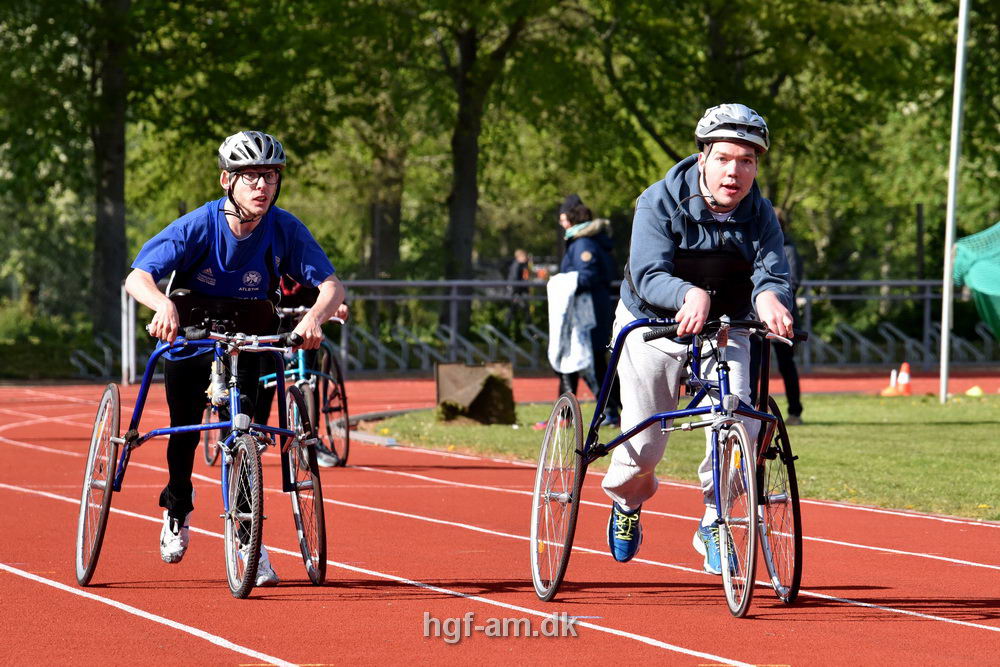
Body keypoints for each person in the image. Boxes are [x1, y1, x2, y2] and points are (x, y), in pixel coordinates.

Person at [125, 130, 346, 585]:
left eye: (269, 176)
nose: (262, 186)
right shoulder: (197, 225)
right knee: (185, 428)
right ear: (227, 180)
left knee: (249, 437)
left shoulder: (285, 228)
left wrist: (314, 319)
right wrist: (162, 305)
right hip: (192, 327)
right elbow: (138, 276)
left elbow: (331, 286)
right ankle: (177, 509)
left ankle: (249, 541)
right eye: (250, 177)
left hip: (251, 333)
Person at [602, 104, 794, 572]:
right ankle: (628, 503)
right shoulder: (658, 200)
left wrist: (770, 297)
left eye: (747, 161)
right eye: (725, 158)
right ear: (703, 156)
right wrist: (686, 293)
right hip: (653, 322)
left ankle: (714, 520)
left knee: (741, 421)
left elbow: (772, 274)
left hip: (725, 325)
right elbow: (647, 273)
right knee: (644, 445)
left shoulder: (760, 213)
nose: (735, 171)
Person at [253, 275, 350, 467]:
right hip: (274, 330)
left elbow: (330, 287)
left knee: (311, 379)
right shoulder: (271, 262)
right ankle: (257, 432)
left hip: (306, 331)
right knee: (264, 382)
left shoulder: (308, 266)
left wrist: (341, 305)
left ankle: (311, 436)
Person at [554, 194, 622, 426]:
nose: (561, 222)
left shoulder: (583, 243)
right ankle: (565, 413)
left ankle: (611, 411)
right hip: (587, 312)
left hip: (589, 313)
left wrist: (561, 283)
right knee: (581, 361)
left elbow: (588, 276)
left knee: (592, 363)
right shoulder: (581, 240)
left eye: (563, 216)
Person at [749, 208, 805, 424]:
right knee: (753, 363)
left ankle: (795, 412)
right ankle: (752, 408)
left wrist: (773, 302)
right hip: (755, 317)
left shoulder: (788, 249)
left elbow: (793, 283)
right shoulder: (756, 245)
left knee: (786, 364)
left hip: (782, 317)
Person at [505, 248, 533, 332]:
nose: (526, 258)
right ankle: (528, 330)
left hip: (520, 292)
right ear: (519, 257)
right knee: (517, 311)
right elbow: (514, 280)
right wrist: (514, 293)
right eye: (524, 256)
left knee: (517, 311)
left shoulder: (522, 265)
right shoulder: (516, 266)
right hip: (517, 292)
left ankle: (510, 329)